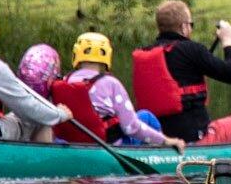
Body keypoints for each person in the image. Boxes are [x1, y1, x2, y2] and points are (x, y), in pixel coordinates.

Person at [131, 0, 231, 145]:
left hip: (160, 142)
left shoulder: (144, 53)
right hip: (196, 140)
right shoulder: (191, 49)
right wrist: (228, 40)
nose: (191, 29)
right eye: (191, 25)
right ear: (183, 27)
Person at [49, 32, 185, 150]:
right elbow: (131, 127)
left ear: (76, 53)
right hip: (109, 146)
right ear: (107, 56)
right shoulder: (111, 83)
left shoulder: (65, 82)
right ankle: (162, 152)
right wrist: (165, 140)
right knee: (146, 116)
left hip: (73, 143)